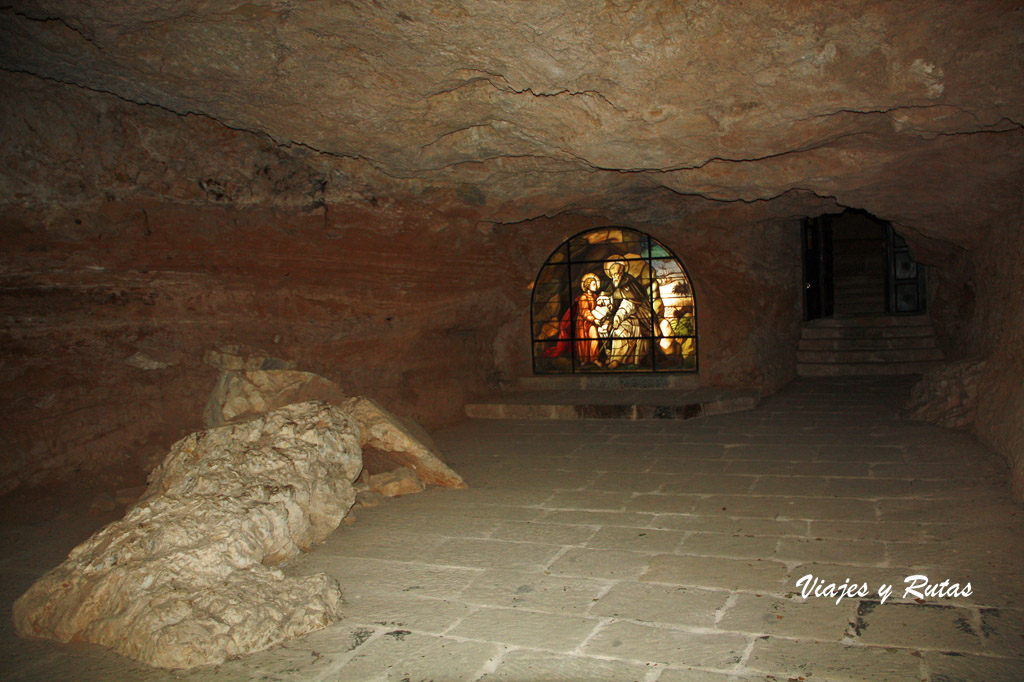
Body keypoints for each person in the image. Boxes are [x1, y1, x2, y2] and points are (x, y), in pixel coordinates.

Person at [603, 257, 657, 368]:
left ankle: (617, 360)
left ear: (622, 273)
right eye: (613, 275)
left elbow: (631, 303)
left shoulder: (630, 283)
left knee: (621, 331)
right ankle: (613, 357)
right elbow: (610, 299)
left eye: (617, 274)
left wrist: (618, 317)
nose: (615, 277)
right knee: (607, 329)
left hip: (637, 317)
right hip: (620, 317)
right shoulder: (613, 285)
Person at [542, 272, 604, 366]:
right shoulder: (583, 298)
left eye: (596, 284)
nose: (596, 286)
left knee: (594, 338)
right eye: (593, 284)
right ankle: (584, 360)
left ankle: (594, 359)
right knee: (583, 341)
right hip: (583, 322)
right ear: (588, 285)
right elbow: (584, 312)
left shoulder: (595, 297)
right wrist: (594, 319)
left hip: (592, 322)